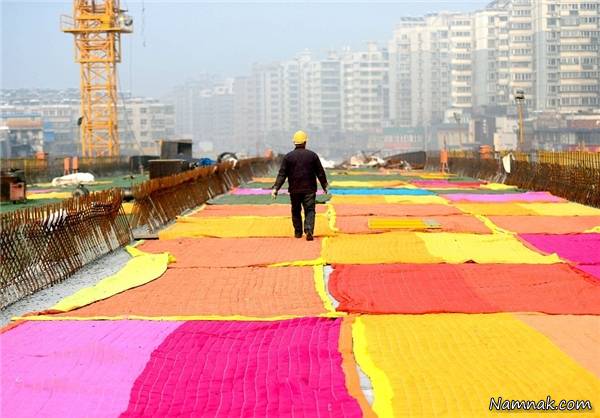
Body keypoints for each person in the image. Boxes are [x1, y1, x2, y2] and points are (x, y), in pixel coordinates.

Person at [272, 130, 328, 241]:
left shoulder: (288, 157)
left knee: (296, 210)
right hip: (309, 189)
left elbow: (282, 174)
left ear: (294, 143)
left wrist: (275, 188)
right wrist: (324, 185)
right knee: (310, 210)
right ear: (305, 142)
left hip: (294, 189)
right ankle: (309, 230)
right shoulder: (312, 156)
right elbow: (320, 172)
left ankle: (298, 232)